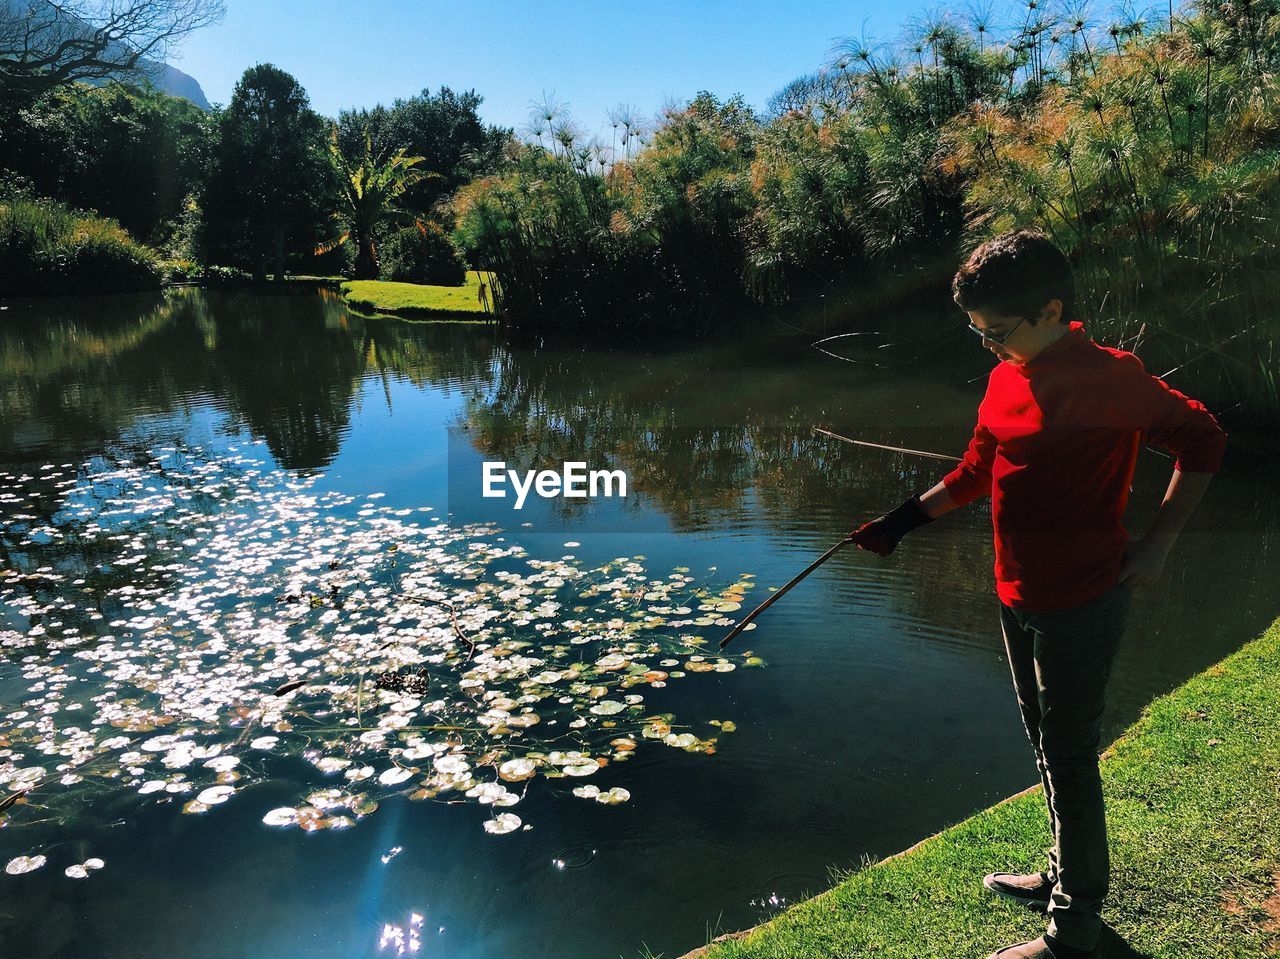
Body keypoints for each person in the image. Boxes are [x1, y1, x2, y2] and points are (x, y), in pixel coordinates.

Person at [850, 230, 1227, 959]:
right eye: (977, 333)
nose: (987, 347)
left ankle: (1073, 930)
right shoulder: (1003, 378)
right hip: (1014, 590)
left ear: (1051, 308)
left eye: (997, 331)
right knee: (1046, 745)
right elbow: (973, 473)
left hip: (1083, 596)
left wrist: (1158, 544)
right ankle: (1060, 873)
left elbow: (1203, 440)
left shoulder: (1112, 377)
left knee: (1072, 753)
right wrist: (900, 522)